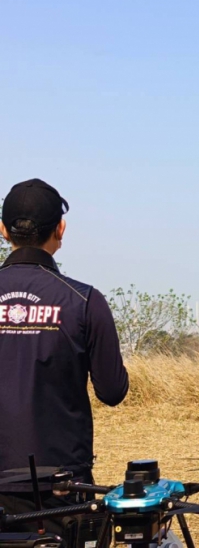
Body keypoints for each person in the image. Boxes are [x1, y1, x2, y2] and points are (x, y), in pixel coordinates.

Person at [0, 179, 129, 539]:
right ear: (60, 229)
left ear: (3, 230)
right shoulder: (84, 301)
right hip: (63, 490)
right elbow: (113, 390)